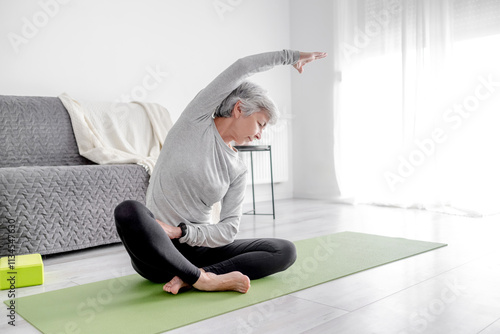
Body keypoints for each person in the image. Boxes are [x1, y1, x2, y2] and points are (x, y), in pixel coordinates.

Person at [114, 49, 327, 294]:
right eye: (260, 123)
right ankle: (204, 280)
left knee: (285, 250)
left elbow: (228, 230)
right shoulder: (195, 122)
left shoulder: (238, 168)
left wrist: (181, 231)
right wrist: (291, 56)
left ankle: (194, 277)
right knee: (128, 211)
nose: (260, 134)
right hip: (158, 256)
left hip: (200, 251)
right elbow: (242, 66)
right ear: (239, 109)